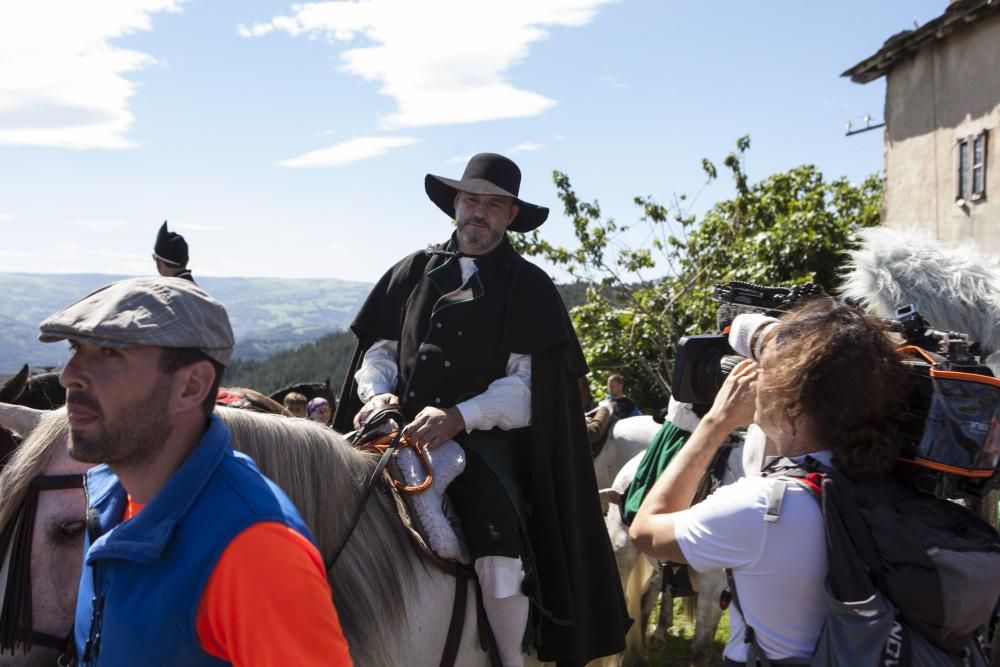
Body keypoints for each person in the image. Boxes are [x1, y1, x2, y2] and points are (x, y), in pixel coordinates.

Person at [333, 153, 629, 665]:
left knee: (497, 537)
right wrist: (377, 394)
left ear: (510, 215)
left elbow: (526, 388)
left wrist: (458, 417)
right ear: (456, 204)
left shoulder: (528, 286)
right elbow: (379, 350)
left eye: (494, 204)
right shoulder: (411, 271)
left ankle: (509, 658)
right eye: (472, 200)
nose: (480, 212)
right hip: (395, 428)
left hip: (483, 442)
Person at [38, 277, 352, 666]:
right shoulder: (106, 502)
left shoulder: (254, 549)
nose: (69, 375)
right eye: (75, 348)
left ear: (191, 386)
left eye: (108, 353)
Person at [629, 299, 907, 665]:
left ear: (791, 403)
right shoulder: (901, 491)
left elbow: (645, 531)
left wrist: (715, 423)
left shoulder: (763, 509)